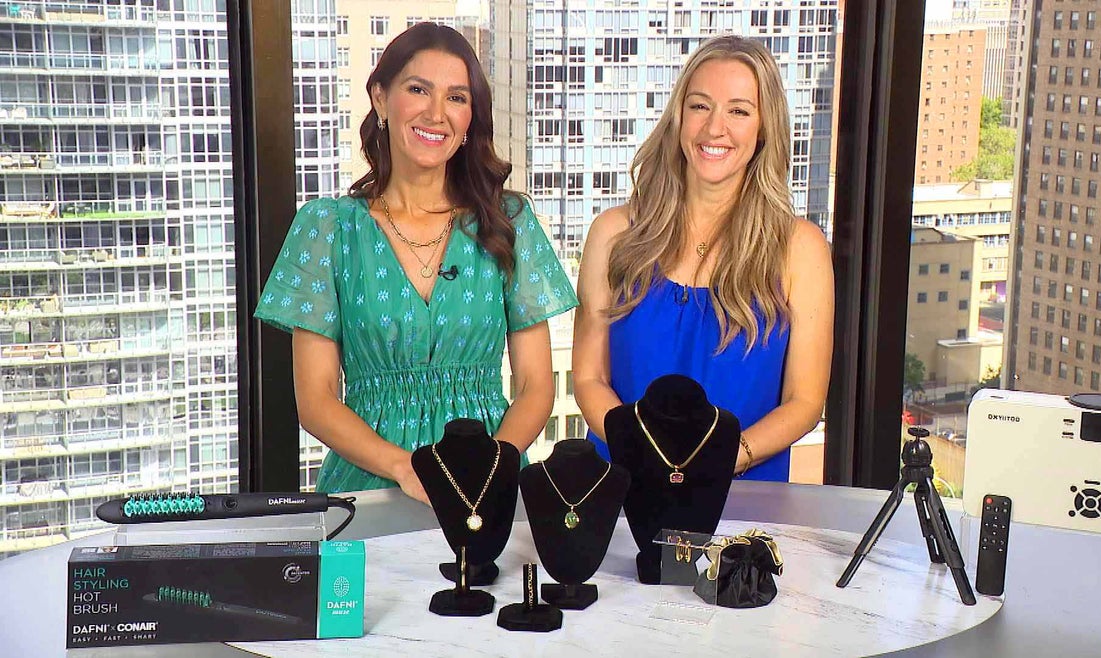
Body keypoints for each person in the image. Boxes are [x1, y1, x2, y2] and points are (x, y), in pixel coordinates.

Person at [255, 23, 577, 500]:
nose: (436, 113)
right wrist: (405, 469)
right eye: (418, 90)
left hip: (487, 483)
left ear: (471, 118)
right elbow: (316, 400)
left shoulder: (509, 221)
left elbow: (534, 386)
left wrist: (490, 468)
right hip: (368, 488)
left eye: (457, 98)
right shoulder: (326, 229)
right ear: (381, 99)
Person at [572, 35, 834, 481]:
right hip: (622, 488)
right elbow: (589, 378)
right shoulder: (614, 233)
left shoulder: (800, 248)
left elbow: (805, 401)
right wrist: (642, 454)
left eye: (738, 110)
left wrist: (721, 460)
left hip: (744, 498)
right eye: (699, 106)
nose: (715, 128)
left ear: (764, 127)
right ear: (678, 118)